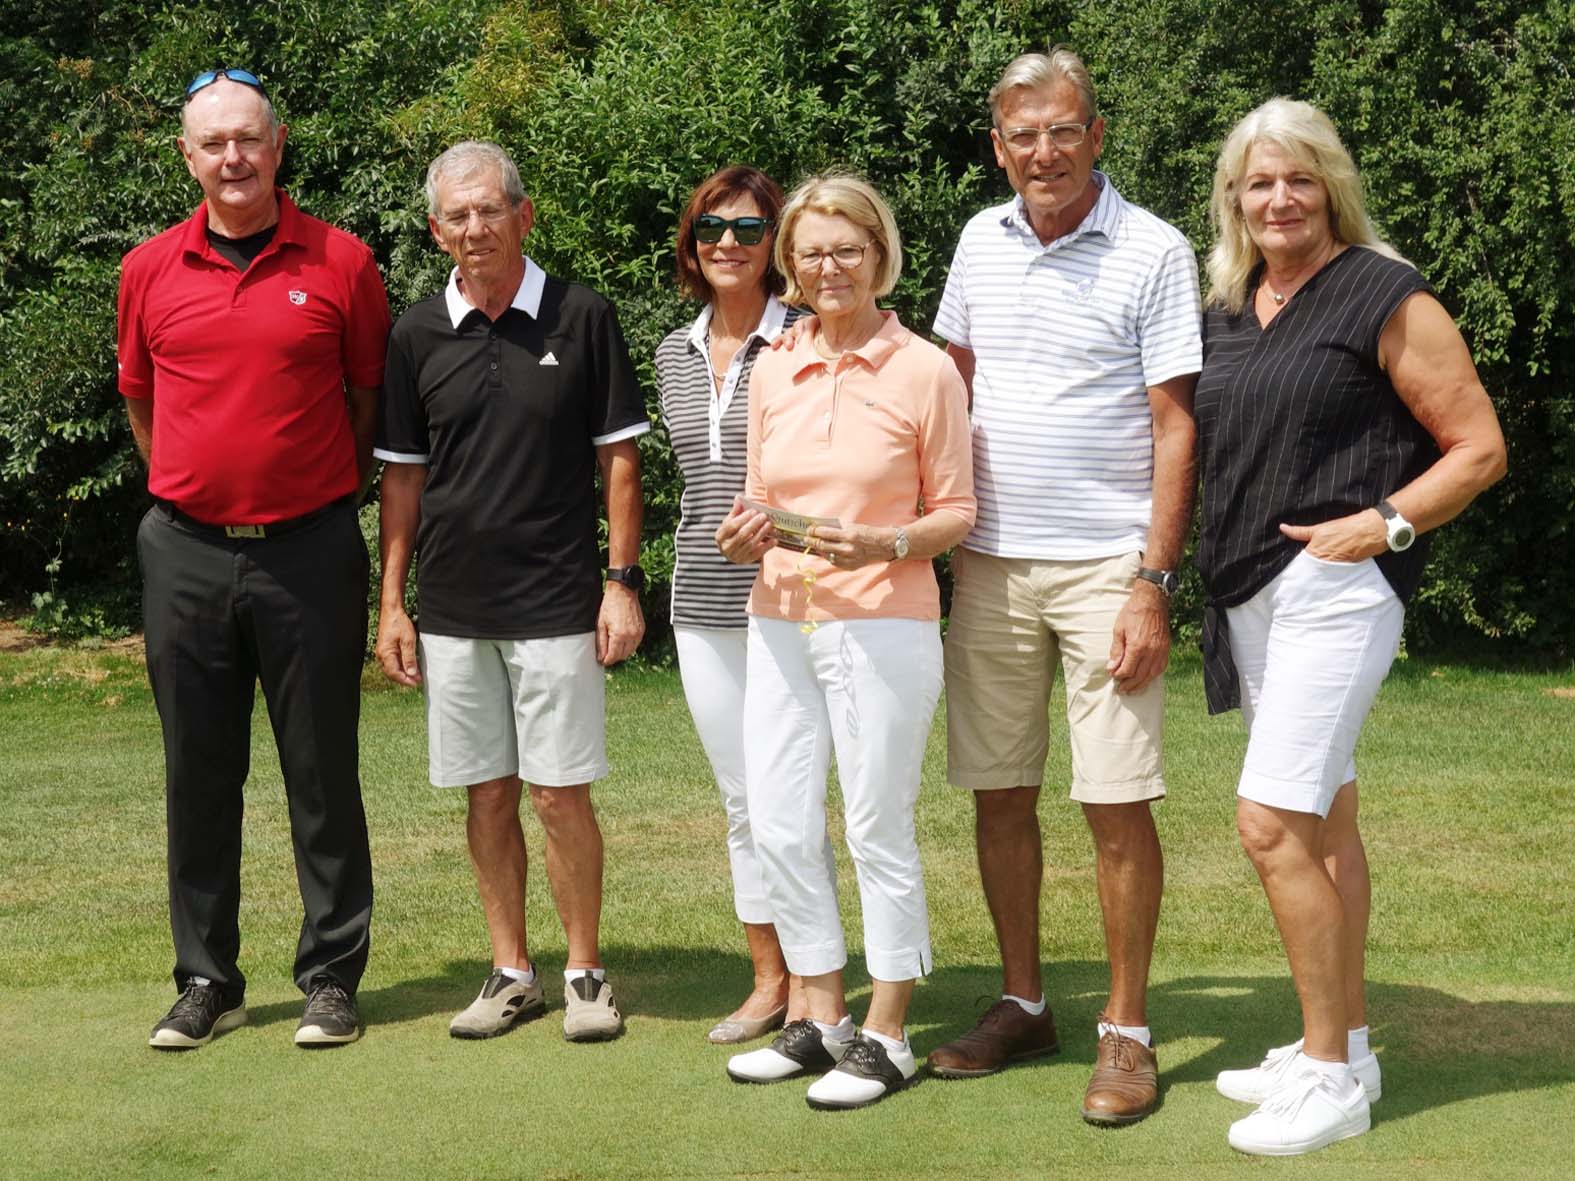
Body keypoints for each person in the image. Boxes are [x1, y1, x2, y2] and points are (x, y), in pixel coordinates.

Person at [1194, 97, 1506, 1156]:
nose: (1279, 198)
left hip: (1335, 589)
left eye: (1299, 178)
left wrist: (1384, 524)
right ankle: (1346, 1044)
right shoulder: (1228, 303)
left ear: (1331, 185)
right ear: (1235, 198)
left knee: (1269, 823)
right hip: (1249, 592)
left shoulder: (1383, 291)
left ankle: (1331, 1081)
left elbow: (1477, 446)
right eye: (1259, 182)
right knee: (1324, 817)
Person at [923, 46, 1201, 1126]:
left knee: (1114, 799)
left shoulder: (1154, 248)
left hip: (1106, 569)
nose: (1044, 153)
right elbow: (948, 385)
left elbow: (1176, 426)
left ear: (1096, 135)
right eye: (1023, 136)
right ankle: (1025, 1003)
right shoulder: (977, 240)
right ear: (998, 148)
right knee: (999, 792)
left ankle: (1126, 1031)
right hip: (989, 562)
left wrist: (1152, 581)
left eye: (1063, 131)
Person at [118, 69, 387, 1050]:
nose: (232, 157)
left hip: (308, 548)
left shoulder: (343, 260)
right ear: (187, 157)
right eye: (213, 143)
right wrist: (198, 490)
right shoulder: (147, 268)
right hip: (184, 551)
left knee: (322, 770)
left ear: (277, 147)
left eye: (248, 139)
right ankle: (207, 978)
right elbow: (142, 400)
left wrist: (303, 494)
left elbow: (366, 402)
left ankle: (331, 976)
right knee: (197, 773)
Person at [374, 141, 649, 1044]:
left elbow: (619, 463)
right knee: (486, 794)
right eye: (457, 215)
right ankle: (511, 972)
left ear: (523, 216)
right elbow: (403, 479)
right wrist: (392, 602)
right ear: (435, 230)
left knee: (558, 795)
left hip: (559, 601)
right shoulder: (415, 332)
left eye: (490, 209)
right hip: (454, 610)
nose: (475, 228)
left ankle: (584, 973)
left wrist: (620, 582)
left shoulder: (582, 315)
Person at [716, 174, 976, 1109]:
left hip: (884, 620)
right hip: (779, 617)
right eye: (811, 252)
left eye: (847, 250)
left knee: (874, 824)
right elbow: (756, 497)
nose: (829, 268)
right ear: (789, 263)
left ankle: (889, 1031)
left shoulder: (924, 368)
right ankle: (821, 1015)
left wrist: (887, 543)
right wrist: (742, 534)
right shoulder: (772, 364)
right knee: (780, 821)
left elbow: (956, 509)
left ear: (878, 255)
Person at [655, 166, 803, 1044]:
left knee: (796, 795)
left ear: (774, 243)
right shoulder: (672, 352)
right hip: (701, 602)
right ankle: (770, 978)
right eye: (711, 228)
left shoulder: (807, 338)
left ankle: (820, 978)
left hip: (797, 598)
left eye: (748, 230)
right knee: (744, 799)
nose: (727, 244)